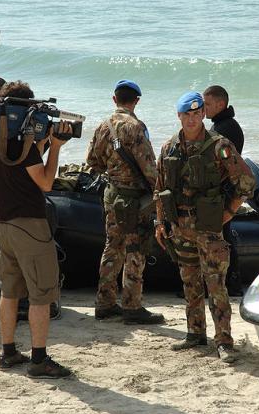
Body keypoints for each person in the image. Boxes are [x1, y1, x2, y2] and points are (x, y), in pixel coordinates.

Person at [154, 91, 255, 363]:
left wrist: (229, 211)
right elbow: (160, 188)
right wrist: (160, 222)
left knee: (216, 285)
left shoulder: (219, 145)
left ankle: (224, 341)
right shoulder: (169, 148)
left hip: (209, 228)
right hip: (180, 226)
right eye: (186, 114)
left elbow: (246, 181)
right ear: (179, 116)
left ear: (203, 114)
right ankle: (195, 333)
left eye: (196, 114)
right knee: (189, 283)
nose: (191, 119)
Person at [0, 80, 72, 378]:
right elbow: (46, 182)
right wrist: (55, 148)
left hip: (4, 225)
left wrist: (41, 143)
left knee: (9, 291)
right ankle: (39, 359)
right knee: (41, 294)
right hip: (30, 227)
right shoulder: (25, 149)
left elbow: (19, 163)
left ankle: (8, 352)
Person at [86, 80, 165, 324]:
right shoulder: (135, 128)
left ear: (114, 99)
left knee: (112, 247)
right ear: (136, 101)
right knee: (135, 250)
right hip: (134, 200)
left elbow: (92, 160)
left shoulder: (103, 126)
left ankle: (105, 303)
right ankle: (132, 306)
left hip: (112, 195)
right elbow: (150, 169)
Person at [203, 85, 244, 154]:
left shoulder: (224, 129)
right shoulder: (226, 123)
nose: (204, 107)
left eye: (207, 104)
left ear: (220, 105)